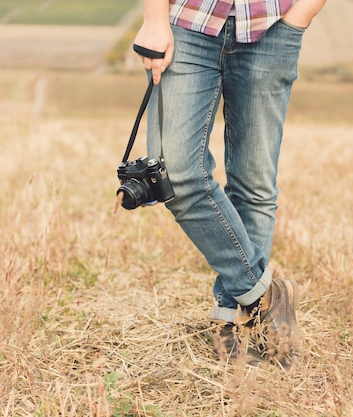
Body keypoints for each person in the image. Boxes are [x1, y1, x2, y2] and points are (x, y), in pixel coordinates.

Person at [133, 0, 326, 367]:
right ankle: (265, 295)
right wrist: (154, 19)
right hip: (187, 22)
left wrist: (301, 14)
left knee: (254, 184)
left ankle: (235, 319)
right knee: (173, 171)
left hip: (272, 26)